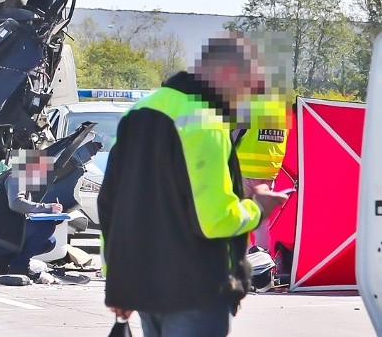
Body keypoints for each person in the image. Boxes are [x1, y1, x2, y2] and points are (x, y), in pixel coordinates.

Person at [97, 35, 289, 337]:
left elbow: (110, 204)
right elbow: (215, 221)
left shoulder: (139, 112)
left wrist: (119, 282)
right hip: (196, 288)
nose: (247, 98)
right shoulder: (204, 121)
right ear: (226, 74)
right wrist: (258, 209)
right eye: (248, 86)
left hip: (146, 288)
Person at [0, 150, 64, 277]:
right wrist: (47, 208)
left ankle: (2, 260)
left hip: (1, 234)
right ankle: (19, 265)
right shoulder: (17, 178)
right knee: (47, 226)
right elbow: (16, 204)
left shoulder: (21, 181)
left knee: (50, 242)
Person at [234, 94, 290, 253]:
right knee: (262, 221)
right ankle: (263, 263)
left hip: (243, 169)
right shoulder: (282, 111)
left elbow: (233, 135)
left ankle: (244, 259)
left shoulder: (249, 105)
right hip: (268, 172)